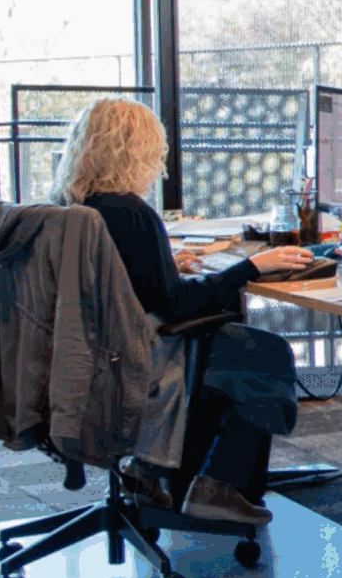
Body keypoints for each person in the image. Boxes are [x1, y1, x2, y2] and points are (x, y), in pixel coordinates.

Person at [48, 99, 314, 525]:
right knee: (265, 354)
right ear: (136, 152)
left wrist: (165, 265)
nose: (159, 164)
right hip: (133, 359)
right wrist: (250, 267)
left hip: (83, 357)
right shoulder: (131, 213)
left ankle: (150, 469)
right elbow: (177, 306)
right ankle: (218, 486)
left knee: (234, 352)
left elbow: (119, 282)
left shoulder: (65, 208)